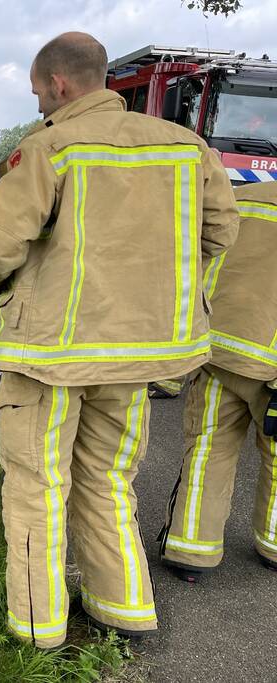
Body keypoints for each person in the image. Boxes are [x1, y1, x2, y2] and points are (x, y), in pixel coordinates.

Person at [0, 32, 239, 649]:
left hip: (51, 357)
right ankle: (124, 610)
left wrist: (11, 282)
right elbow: (220, 233)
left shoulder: (51, 147)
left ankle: (37, 631)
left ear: (59, 83)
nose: (39, 104)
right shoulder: (187, 148)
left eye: (38, 92)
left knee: (37, 486)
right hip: (134, 359)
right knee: (109, 481)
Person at [159, 181, 277, 581]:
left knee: (210, 450)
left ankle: (191, 552)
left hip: (219, 350)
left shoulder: (241, 197)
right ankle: (272, 547)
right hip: (273, 368)